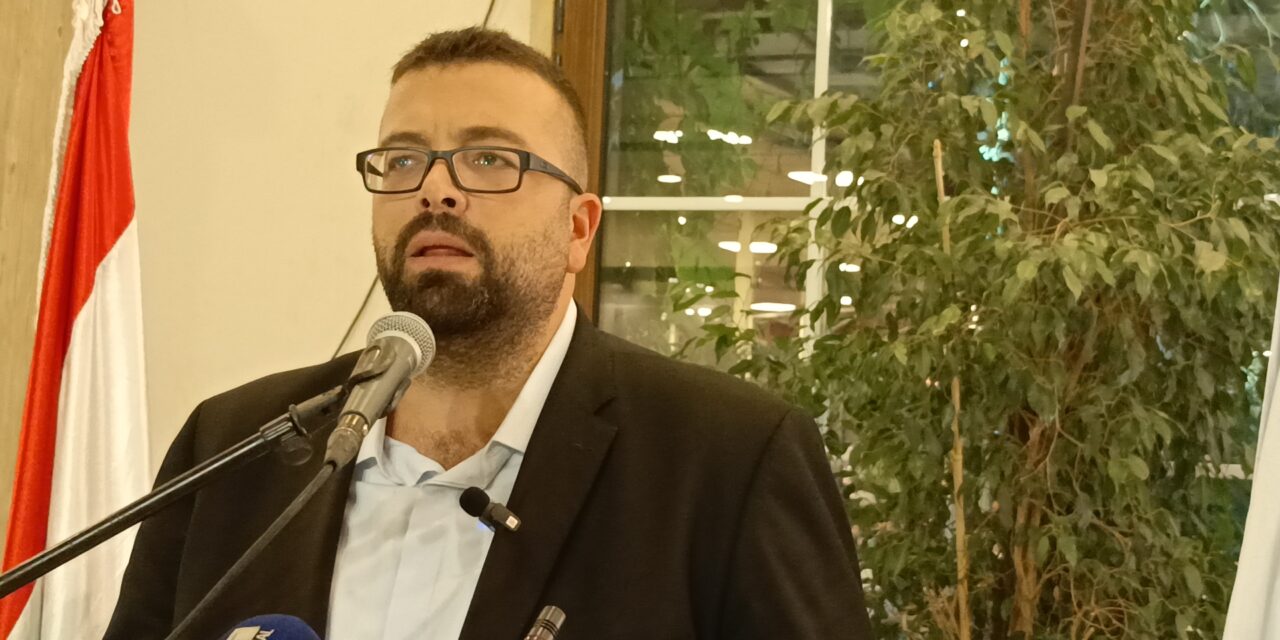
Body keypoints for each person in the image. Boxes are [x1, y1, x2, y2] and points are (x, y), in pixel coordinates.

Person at [105, 27, 873, 639]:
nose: (436, 189)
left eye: (489, 159)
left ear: (579, 229)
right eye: (403, 159)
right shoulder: (236, 449)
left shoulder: (727, 460)